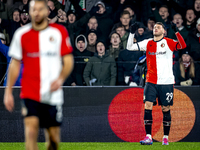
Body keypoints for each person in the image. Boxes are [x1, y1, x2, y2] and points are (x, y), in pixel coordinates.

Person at [3, 1, 73, 150]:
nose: (37, 12)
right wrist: (8, 91)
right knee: (31, 131)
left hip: (53, 93)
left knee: (53, 138)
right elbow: (14, 63)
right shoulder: (21, 34)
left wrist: (60, 78)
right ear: (29, 12)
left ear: (47, 11)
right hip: (30, 91)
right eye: (33, 9)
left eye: (40, 9)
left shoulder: (59, 32)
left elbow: (68, 60)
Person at [126, 22, 186, 145]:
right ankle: (148, 136)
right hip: (151, 81)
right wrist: (132, 33)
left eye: (158, 27)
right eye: (154, 27)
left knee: (165, 108)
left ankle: (165, 137)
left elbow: (182, 46)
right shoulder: (148, 43)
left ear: (164, 31)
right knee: (148, 106)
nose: (155, 28)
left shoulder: (168, 42)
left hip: (166, 81)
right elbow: (129, 47)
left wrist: (176, 32)